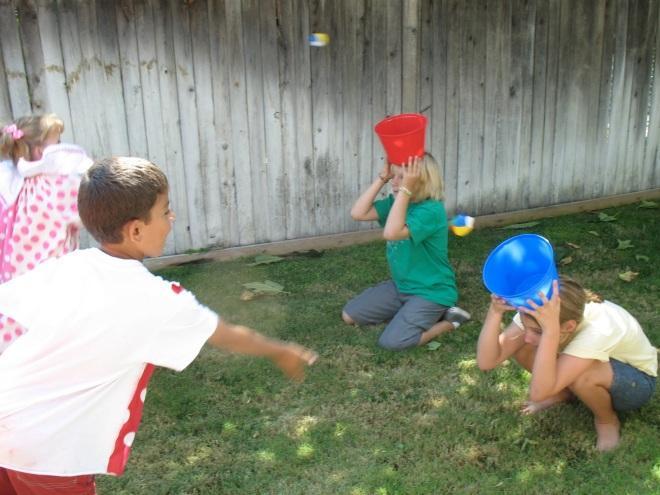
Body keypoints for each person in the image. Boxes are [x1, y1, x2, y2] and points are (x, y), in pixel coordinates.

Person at [0, 157, 317, 495]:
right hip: (50, 453)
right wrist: (280, 351)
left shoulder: (67, 267)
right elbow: (225, 335)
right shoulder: (157, 300)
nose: (172, 218)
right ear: (136, 230)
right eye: (166, 211)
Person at [477, 277, 657, 452]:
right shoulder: (542, 309)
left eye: (537, 331)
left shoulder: (599, 329)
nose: (528, 337)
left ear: (569, 326)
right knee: (524, 346)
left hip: (635, 384)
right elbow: (486, 361)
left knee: (583, 375)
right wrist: (495, 312)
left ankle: (607, 420)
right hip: (596, 364)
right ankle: (563, 392)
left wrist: (550, 333)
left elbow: (538, 394)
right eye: (526, 326)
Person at [342, 153, 470, 350]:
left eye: (402, 177)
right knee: (349, 315)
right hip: (401, 287)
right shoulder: (398, 203)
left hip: (432, 292)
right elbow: (357, 213)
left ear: (421, 180)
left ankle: (450, 320)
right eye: (394, 176)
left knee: (392, 342)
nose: (395, 181)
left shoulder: (431, 210)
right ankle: (412, 311)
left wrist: (404, 190)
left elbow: (392, 233)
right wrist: (382, 178)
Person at [0, 114, 92, 353]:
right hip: (50, 289)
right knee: (52, 353)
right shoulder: (56, 186)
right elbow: (96, 212)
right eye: (57, 142)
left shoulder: (6, 183)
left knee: (18, 359)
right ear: (41, 151)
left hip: (13, 290)